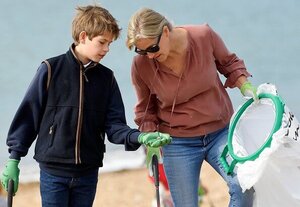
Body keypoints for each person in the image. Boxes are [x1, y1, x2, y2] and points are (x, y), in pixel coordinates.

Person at [0, 5, 171, 207]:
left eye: (109, 43)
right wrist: (14, 158)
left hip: (87, 174)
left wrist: (140, 136)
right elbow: (28, 117)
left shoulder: (107, 79)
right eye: (102, 42)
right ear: (83, 36)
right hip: (53, 173)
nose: (107, 49)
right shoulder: (50, 69)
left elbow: (115, 127)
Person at [126, 8, 256, 207]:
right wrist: (149, 139)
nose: (149, 56)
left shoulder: (203, 36)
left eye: (152, 48)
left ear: (166, 32)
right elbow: (146, 110)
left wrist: (244, 85)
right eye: (141, 51)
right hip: (177, 143)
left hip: (220, 133)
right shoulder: (141, 65)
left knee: (245, 186)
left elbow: (229, 63)